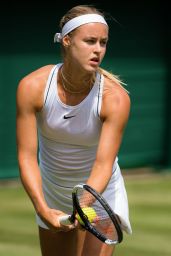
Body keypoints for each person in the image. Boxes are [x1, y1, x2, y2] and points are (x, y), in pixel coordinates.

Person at [16, 4, 132, 256]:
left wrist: (83, 205)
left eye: (103, 42)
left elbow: (103, 164)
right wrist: (41, 208)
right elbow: (26, 156)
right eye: (90, 41)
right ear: (67, 40)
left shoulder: (115, 98)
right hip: (52, 191)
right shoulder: (32, 87)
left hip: (100, 194)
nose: (98, 50)